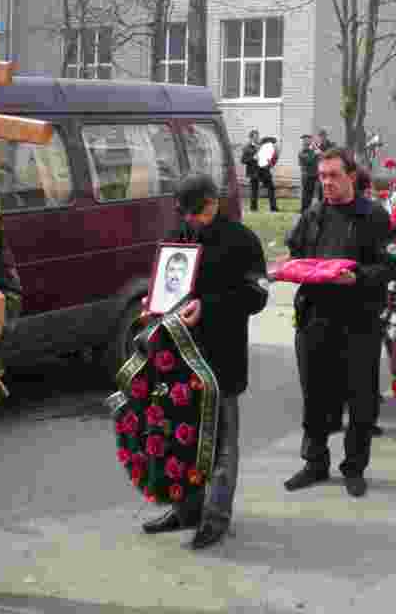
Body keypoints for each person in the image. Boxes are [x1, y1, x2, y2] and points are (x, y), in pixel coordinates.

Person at [141, 174, 269, 550]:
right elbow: (166, 283)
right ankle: (186, 509)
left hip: (221, 357)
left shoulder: (242, 240)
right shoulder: (178, 235)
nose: (189, 220)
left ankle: (216, 516)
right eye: (183, 213)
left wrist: (208, 307)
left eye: (195, 213)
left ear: (213, 202)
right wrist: (153, 303)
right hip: (178, 358)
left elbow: (257, 296)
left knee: (222, 442)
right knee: (181, 438)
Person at [284, 148, 393, 497]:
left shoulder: (373, 216)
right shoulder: (313, 214)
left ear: (352, 177)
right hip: (315, 318)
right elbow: (296, 255)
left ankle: (354, 467)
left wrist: (358, 277)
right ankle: (315, 462)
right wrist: (288, 269)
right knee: (314, 394)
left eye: (334, 175)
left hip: (358, 321)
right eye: (322, 176)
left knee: (360, 398)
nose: (327, 182)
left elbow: (390, 267)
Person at [299, 134, 320, 213]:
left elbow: (318, 159)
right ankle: (304, 209)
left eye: (309, 140)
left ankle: (308, 209)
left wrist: (316, 151)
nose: (308, 141)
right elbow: (309, 160)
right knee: (305, 194)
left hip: (314, 174)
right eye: (305, 140)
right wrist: (315, 153)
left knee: (311, 194)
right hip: (306, 175)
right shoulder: (302, 152)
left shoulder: (313, 150)